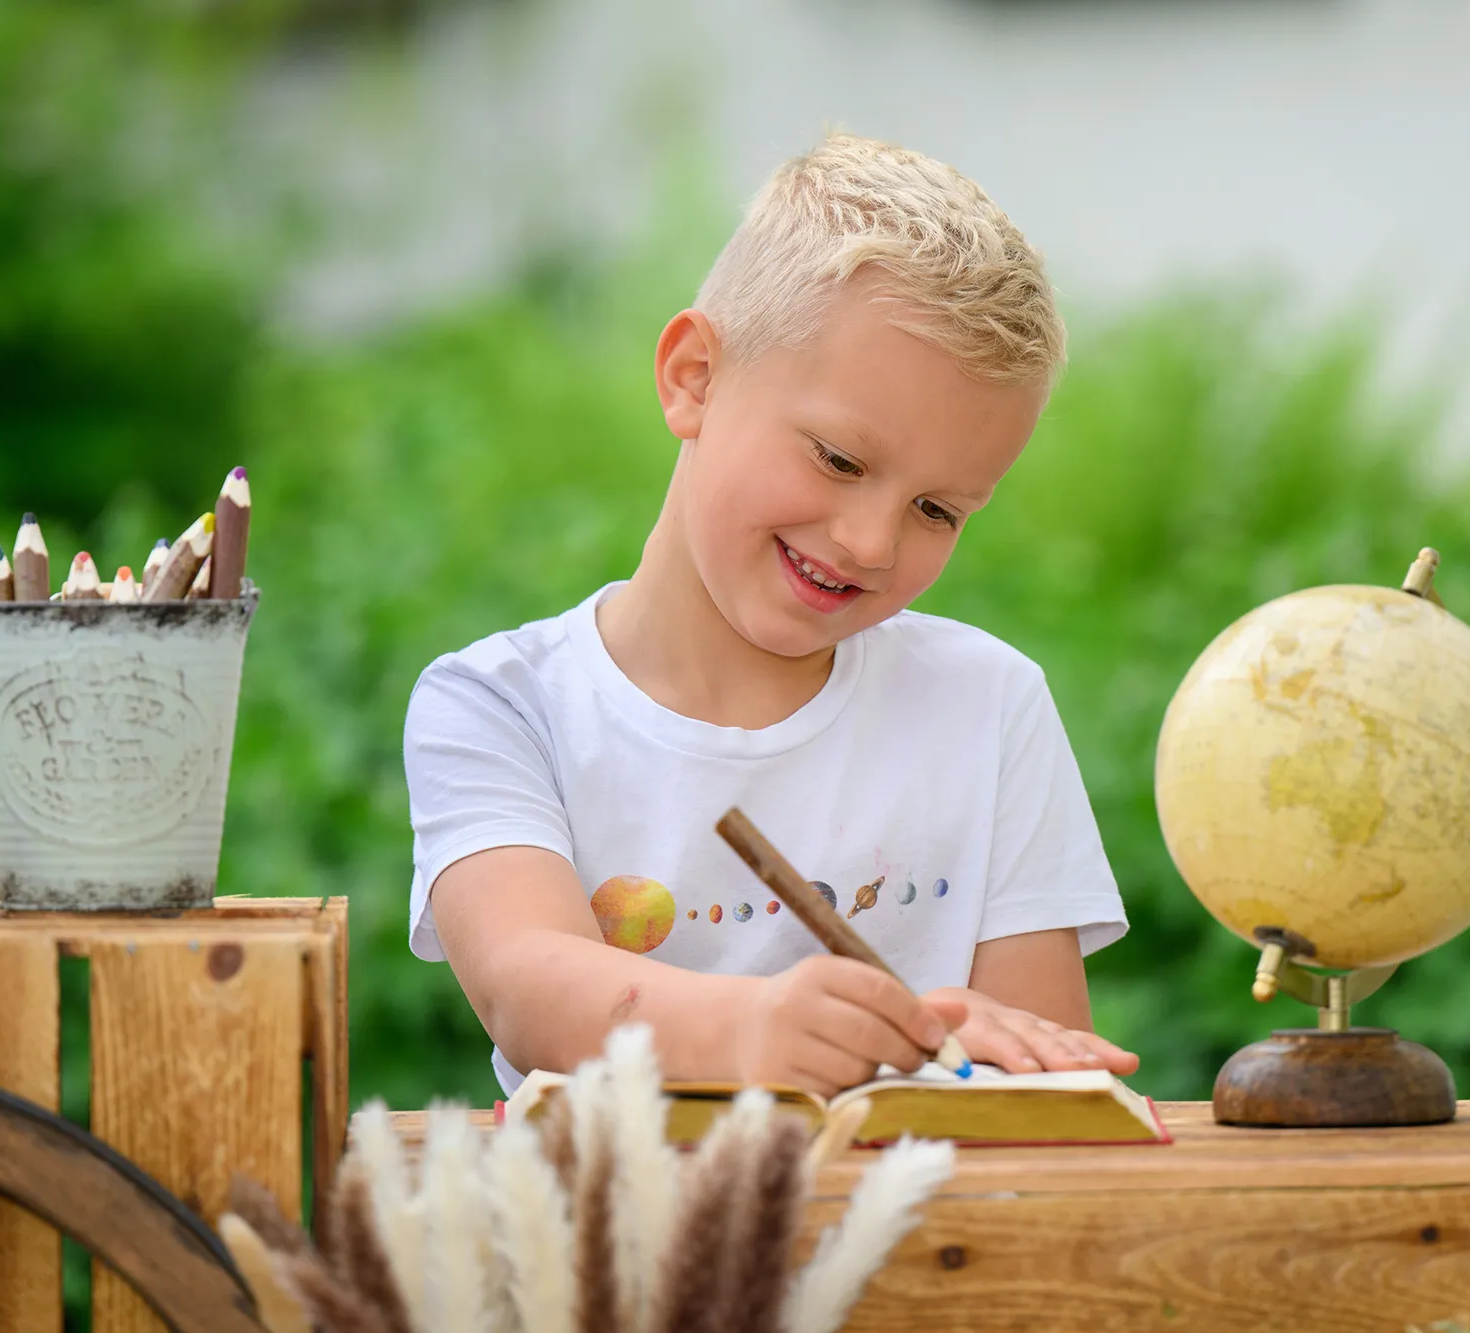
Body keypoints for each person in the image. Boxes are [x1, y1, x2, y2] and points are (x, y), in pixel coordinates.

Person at [404, 133, 1140, 1098]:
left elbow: (1044, 1085)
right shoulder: (501, 706)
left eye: (937, 510)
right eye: (838, 459)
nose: (873, 542)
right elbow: (526, 987)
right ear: (693, 378)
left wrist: (1000, 1059)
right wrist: (763, 1030)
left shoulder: (988, 704)